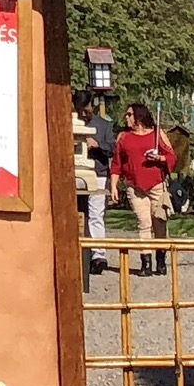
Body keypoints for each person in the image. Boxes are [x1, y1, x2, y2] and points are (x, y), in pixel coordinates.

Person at [115, 99, 177, 276]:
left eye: (129, 114)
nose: (126, 117)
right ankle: (146, 263)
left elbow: (172, 157)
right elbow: (117, 163)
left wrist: (160, 159)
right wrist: (114, 185)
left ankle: (161, 260)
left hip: (157, 184)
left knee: (159, 221)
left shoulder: (157, 134)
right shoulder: (123, 137)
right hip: (135, 187)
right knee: (143, 223)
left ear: (139, 116)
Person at [81, 103, 121, 270]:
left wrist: (98, 145)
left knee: (96, 214)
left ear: (92, 106)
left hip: (98, 173)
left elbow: (112, 148)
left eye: (87, 110)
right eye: (81, 110)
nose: (84, 114)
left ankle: (98, 255)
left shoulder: (104, 125)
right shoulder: (68, 120)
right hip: (74, 173)